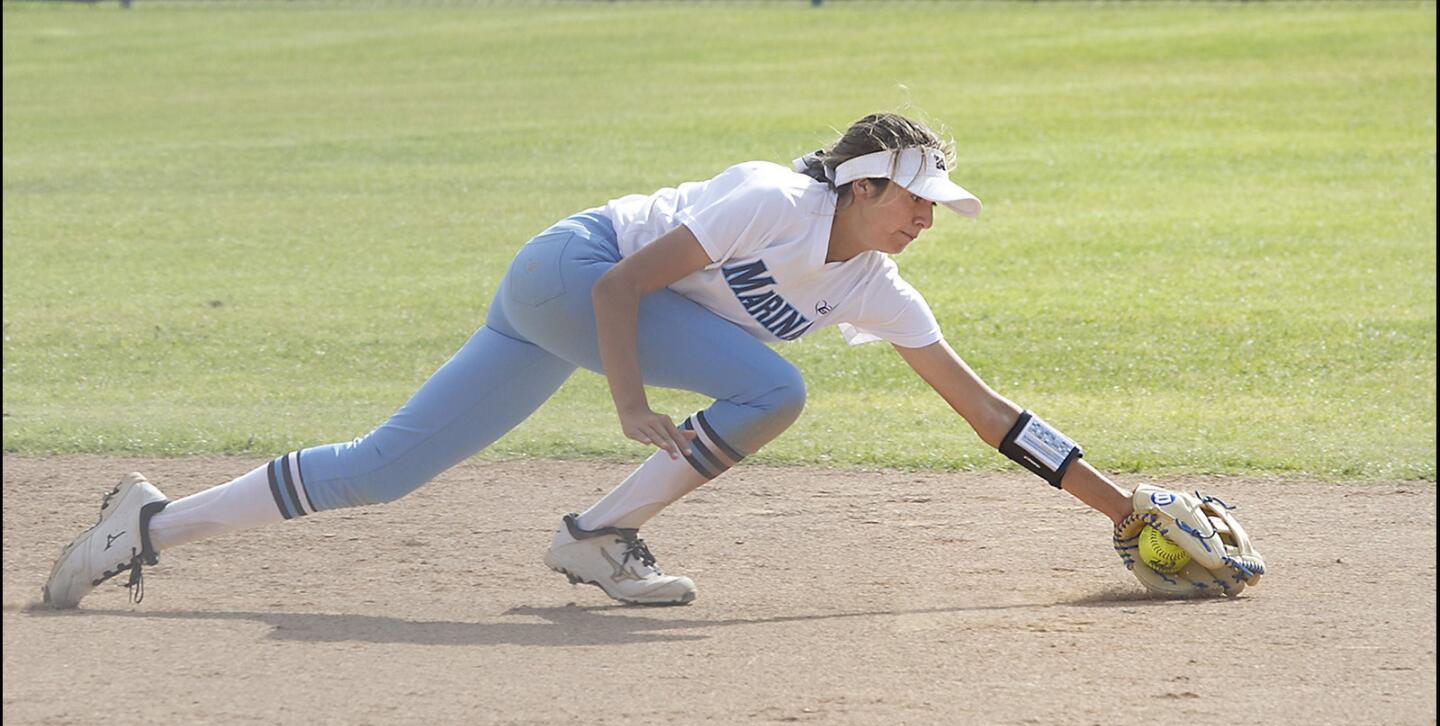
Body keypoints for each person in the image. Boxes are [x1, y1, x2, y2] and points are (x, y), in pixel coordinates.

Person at [42, 112, 1136, 610]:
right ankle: (599, 536)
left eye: (935, 208)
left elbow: (987, 413)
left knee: (380, 471)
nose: (926, 222)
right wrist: (626, 404)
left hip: (576, 311)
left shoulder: (874, 289)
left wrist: (1126, 510)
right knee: (774, 387)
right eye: (914, 200)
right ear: (861, 185)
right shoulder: (773, 196)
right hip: (572, 275)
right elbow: (622, 287)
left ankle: (144, 525)